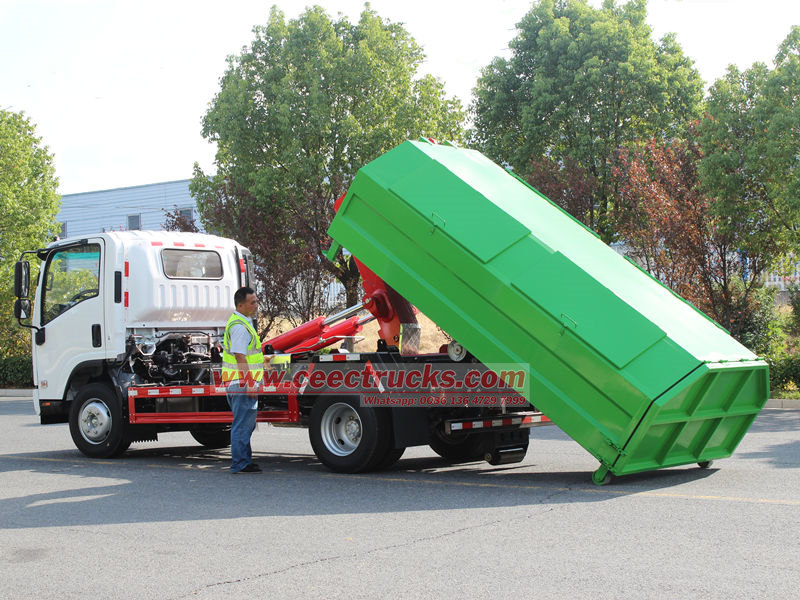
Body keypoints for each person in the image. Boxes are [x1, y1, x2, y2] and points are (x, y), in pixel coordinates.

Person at [221, 286, 264, 473]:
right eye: (252, 302)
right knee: (242, 424)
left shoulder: (242, 322)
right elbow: (240, 356)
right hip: (240, 382)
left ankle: (244, 460)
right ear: (240, 304)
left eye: (256, 301)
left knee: (245, 424)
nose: (256, 305)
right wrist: (249, 383)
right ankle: (240, 463)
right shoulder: (239, 327)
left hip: (238, 381)